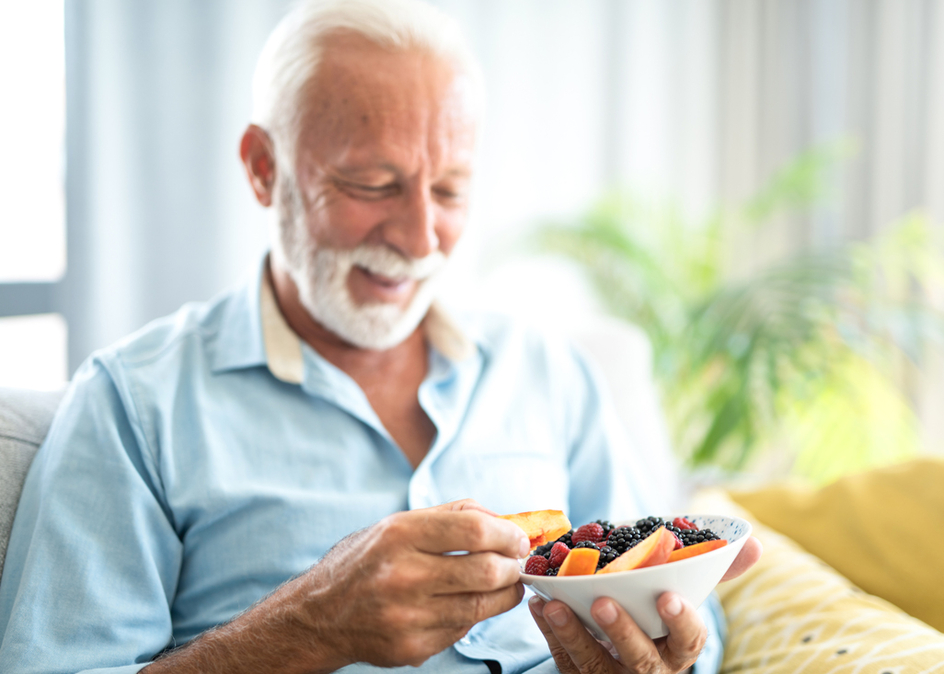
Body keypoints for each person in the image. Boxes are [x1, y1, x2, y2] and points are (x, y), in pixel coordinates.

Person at [0, 1, 760, 672]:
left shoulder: (552, 371)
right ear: (265, 169)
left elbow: (689, 625)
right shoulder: (133, 405)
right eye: (373, 185)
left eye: (450, 189)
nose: (420, 236)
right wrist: (310, 627)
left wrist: (666, 652)